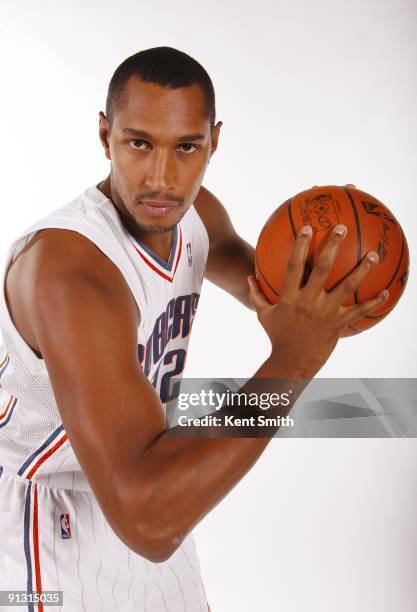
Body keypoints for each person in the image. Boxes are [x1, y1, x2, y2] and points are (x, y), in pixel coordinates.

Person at [0, 46, 388, 611]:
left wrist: (344, 257)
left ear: (214, 141)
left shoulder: (195, 212)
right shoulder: (70, 272)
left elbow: (278, 295)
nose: (162, 178)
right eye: (138, 143)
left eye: (187, 147)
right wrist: (292, 364)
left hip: (143, 472)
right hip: (48, 526)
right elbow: (150, 520)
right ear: (104, 134)